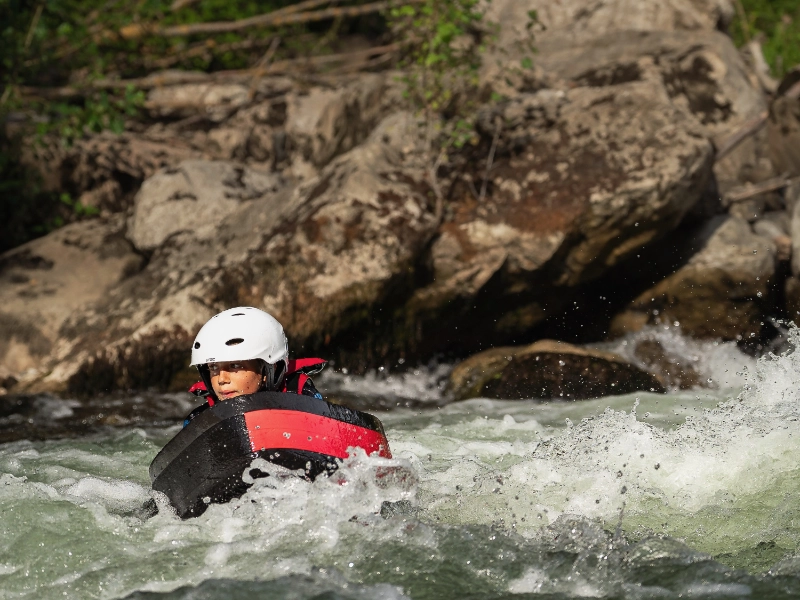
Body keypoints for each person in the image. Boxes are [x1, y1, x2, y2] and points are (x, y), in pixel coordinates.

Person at [183, 306, 326, 426]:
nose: (222, 379)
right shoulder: (199, 421)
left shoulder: (304, 400)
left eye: (235, 366)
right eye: (214, 367)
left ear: (269, 370)